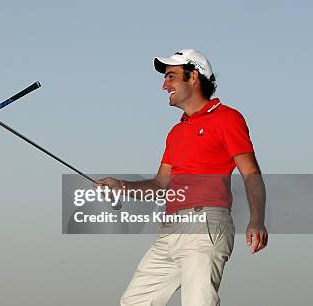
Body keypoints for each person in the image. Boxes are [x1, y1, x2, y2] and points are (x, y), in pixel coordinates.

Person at [96, 49, 268, 305]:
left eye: (171, 77)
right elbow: (160, 184)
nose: (164, 85)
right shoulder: (177, 131)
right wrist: (120, 186)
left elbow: (251, 173)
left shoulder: (227, 118)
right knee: (134, 302)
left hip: (205, 225)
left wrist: (256, 220)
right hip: (170, 228)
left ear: (194, 76)